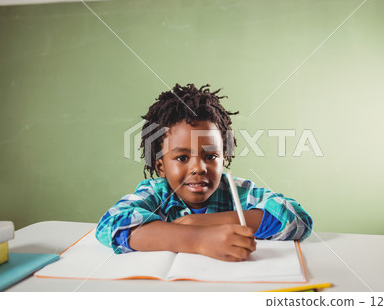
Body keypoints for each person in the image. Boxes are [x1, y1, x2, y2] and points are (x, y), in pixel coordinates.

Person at [96, 84, 312, 261]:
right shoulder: (156, 194)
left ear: (224, 158)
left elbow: (298, 219)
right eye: (181, 158)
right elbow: (111, 225)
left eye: (211, 156)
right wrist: (198, 239)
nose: (199, 168)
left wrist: (199, 222)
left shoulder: (238, 192)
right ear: (161, 166)